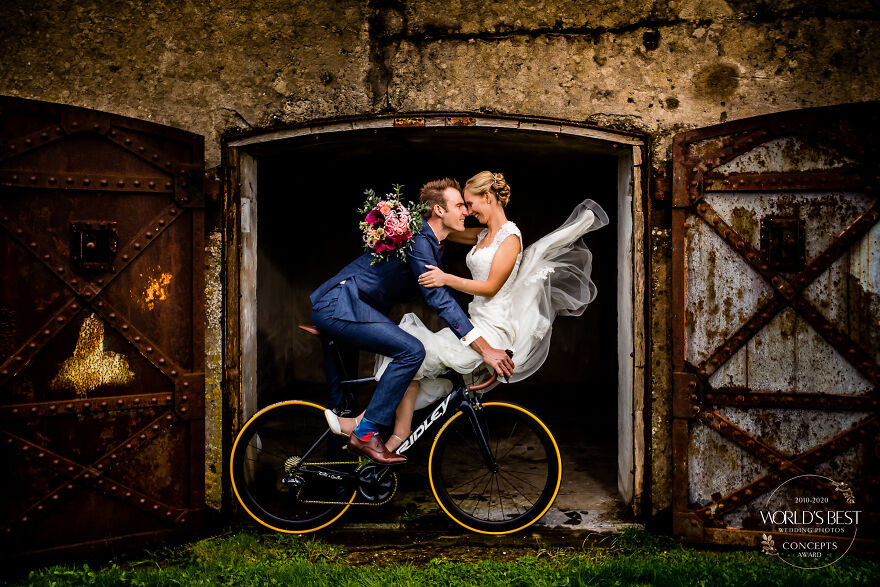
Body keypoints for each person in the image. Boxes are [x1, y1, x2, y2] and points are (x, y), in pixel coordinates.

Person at [333, 171, 609, 452]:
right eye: (462, 204)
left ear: (487, 197)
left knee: (414, 353)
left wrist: (446, 278)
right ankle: (393, 443)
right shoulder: (481, 234)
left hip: (493, 327)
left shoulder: (511, 238)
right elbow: (443, 227)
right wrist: (398, 225)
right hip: (475, 320)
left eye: (469, 202)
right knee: (412, 363)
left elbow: (490, 287)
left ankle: (360, 423)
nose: (467, 210)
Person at [311, 178, 515, 465]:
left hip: (352, 308)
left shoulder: (430, 239)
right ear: (438, 210)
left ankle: (339, 482)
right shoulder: (419, 241)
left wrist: (500, 227)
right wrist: (485, 349)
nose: (466, 211)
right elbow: (439, 300)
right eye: (459, 205)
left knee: (343, 403)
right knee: (412, 350)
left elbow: (479, 235)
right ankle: (366, 432)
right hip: (339, 305)